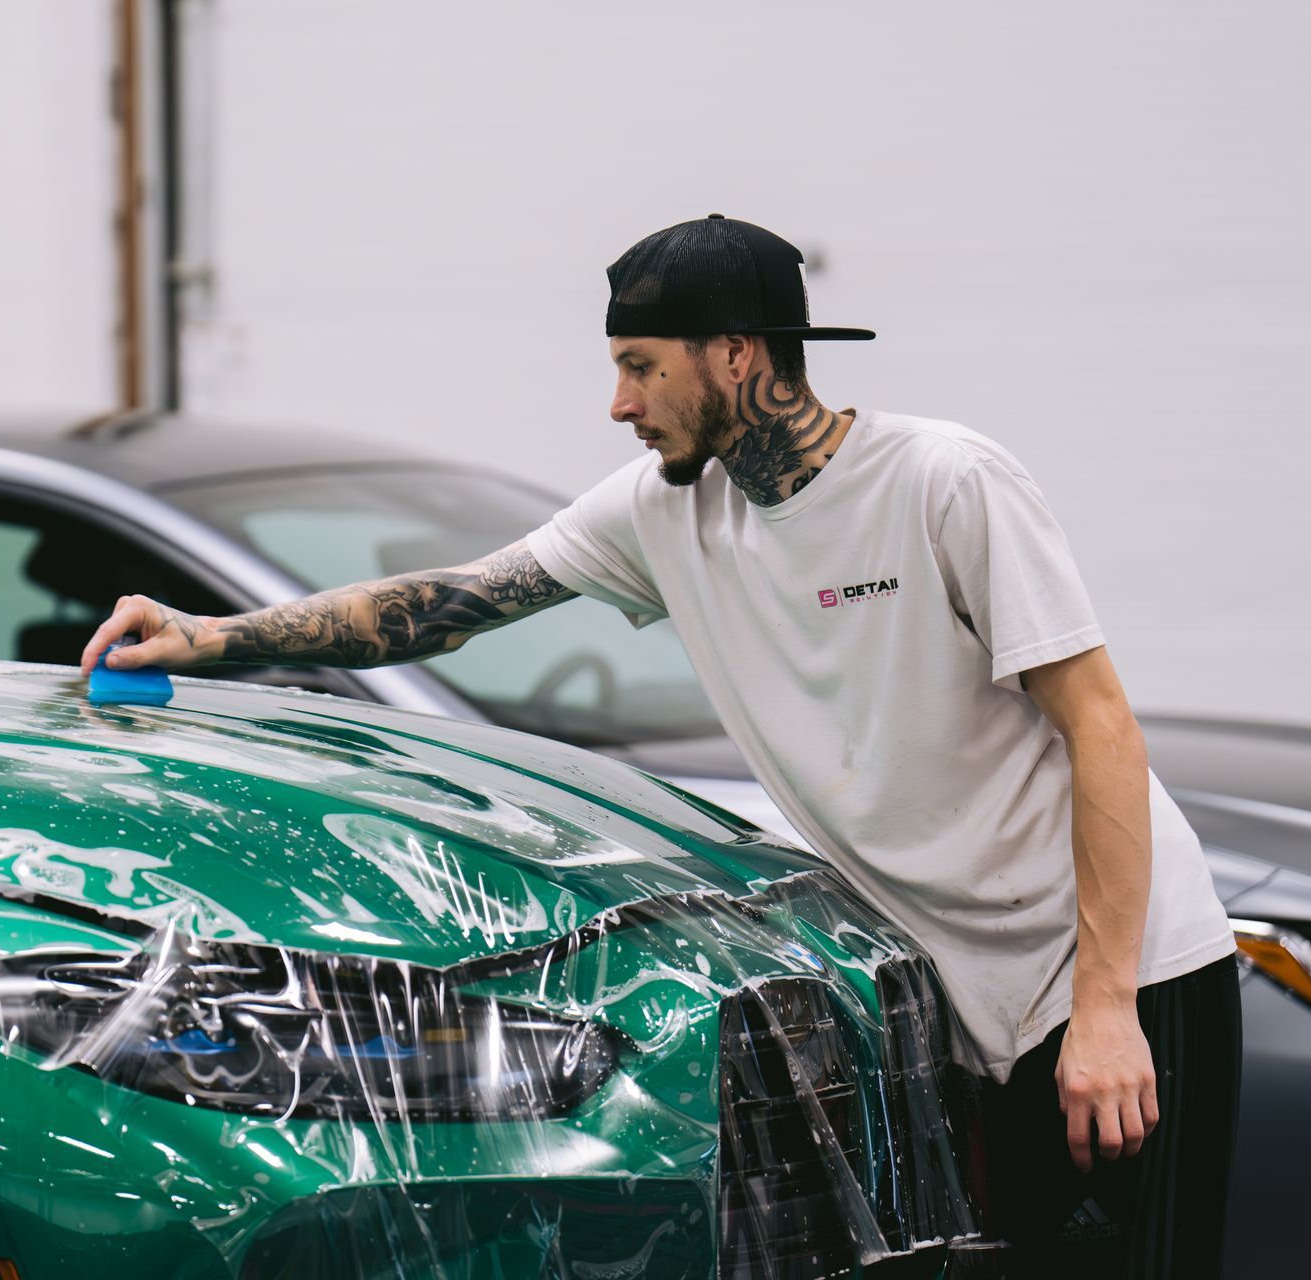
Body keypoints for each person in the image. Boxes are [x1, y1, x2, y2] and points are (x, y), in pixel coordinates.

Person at [78, 214, 1242, 1277]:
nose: (620, 403)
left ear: (737, 355)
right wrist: (209, 637)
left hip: (1114, 964)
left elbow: (1101, 724)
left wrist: (1103, 1008)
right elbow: (456, 597)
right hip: (956, 994)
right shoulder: (666, 509)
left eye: (640, 366)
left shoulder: (944, 480)